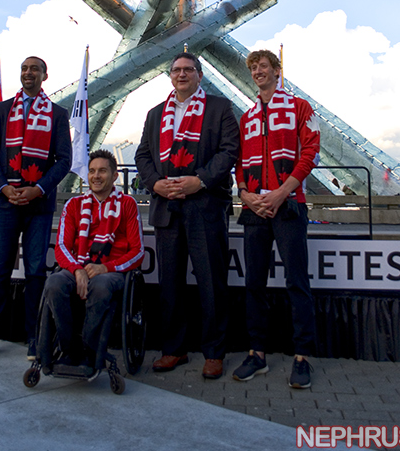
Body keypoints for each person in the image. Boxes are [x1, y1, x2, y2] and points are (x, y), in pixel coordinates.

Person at [135, 52, 239, 380]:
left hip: (205, 206)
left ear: (199, 75)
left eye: (188, 70)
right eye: (177, 70)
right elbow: (143, 154)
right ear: (170, 76)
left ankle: (214, 352)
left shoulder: (219, 108)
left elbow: (229, 151)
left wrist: (201, 180)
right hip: (167, 207)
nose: (182, 75)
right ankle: (174, 349)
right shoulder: (155, 114)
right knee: (170, 284)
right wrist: (156, 183)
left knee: (211, 282)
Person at [0, 56, 72, 362]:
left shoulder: (57, 114)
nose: (28, 73)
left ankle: (35, 339)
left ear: (44, 75)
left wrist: (38, 188)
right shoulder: (1, 110)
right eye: (24, 68)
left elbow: (63, 160)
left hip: (38, 205)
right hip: (4, 202)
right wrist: (4, 187)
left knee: (36, 273)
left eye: (34, 69)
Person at [232, 49, 320, 389]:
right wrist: (244, 194)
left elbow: (311, 151)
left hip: (289, 206)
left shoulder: (299, 107)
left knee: (297, 282)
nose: (257, 71)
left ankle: (302, 357)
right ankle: (257, 354)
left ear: (276, 70)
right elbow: (239, 162)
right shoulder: (247, 117)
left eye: (263, 66)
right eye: (253, 67)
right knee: (253, 284)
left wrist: (283, 192)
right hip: (254, 210)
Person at [41, 149, 144, 376]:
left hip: (111, 270)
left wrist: (105, 267)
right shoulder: (74, 205)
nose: (96, 176)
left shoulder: (127, 204)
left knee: (101, 285)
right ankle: (69, 349)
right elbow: (61, 248)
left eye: (102, 171)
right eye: (92, 171)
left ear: (115, 176)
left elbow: (138, 252)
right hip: (78, 266)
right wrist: (77, 269)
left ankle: (90, 350)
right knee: (54, 283)